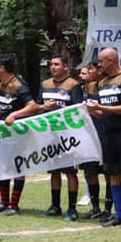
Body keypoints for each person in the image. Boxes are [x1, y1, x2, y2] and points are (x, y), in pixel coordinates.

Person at [0, 54, 41, 216]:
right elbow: (2, 106)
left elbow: (32, 106)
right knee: (3, 165)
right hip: (4, 133)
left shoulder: (18, 85)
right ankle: (4, 202)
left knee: (17, 167)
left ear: (2, 68)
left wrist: (15, 115)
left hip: (18, 133)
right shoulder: (2, 83)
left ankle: (14, 205)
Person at [91, 47, 121, 228]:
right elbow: (101, 113)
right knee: (112, 174)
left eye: (101, 61)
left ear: (111, 61)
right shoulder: (102, 82)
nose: (99, 65)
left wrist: (100, 108)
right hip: (108, 135)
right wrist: (90, 110)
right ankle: (118, 214)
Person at [37, 54, 83, 221]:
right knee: (54, 172)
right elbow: (37, 105)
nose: (53, 67)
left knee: (71, 172)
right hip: (50, 135)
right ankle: (55, 205)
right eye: (51, 64)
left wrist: (60, 107)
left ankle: (72, 209)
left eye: (56, 64)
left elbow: (79, 110)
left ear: (66, 67)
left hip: (68, 136)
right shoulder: (45, 84)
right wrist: (44, 106)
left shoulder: (74, 85)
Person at [77, 61, 106, 219]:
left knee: (110, 174)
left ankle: (108, 209)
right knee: (90, 172)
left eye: (91, 69)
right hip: (88, 136)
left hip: (105, 135)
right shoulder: (85, 89)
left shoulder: (107, 88)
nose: (88, 71)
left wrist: (93, 111)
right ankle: (95, 207)